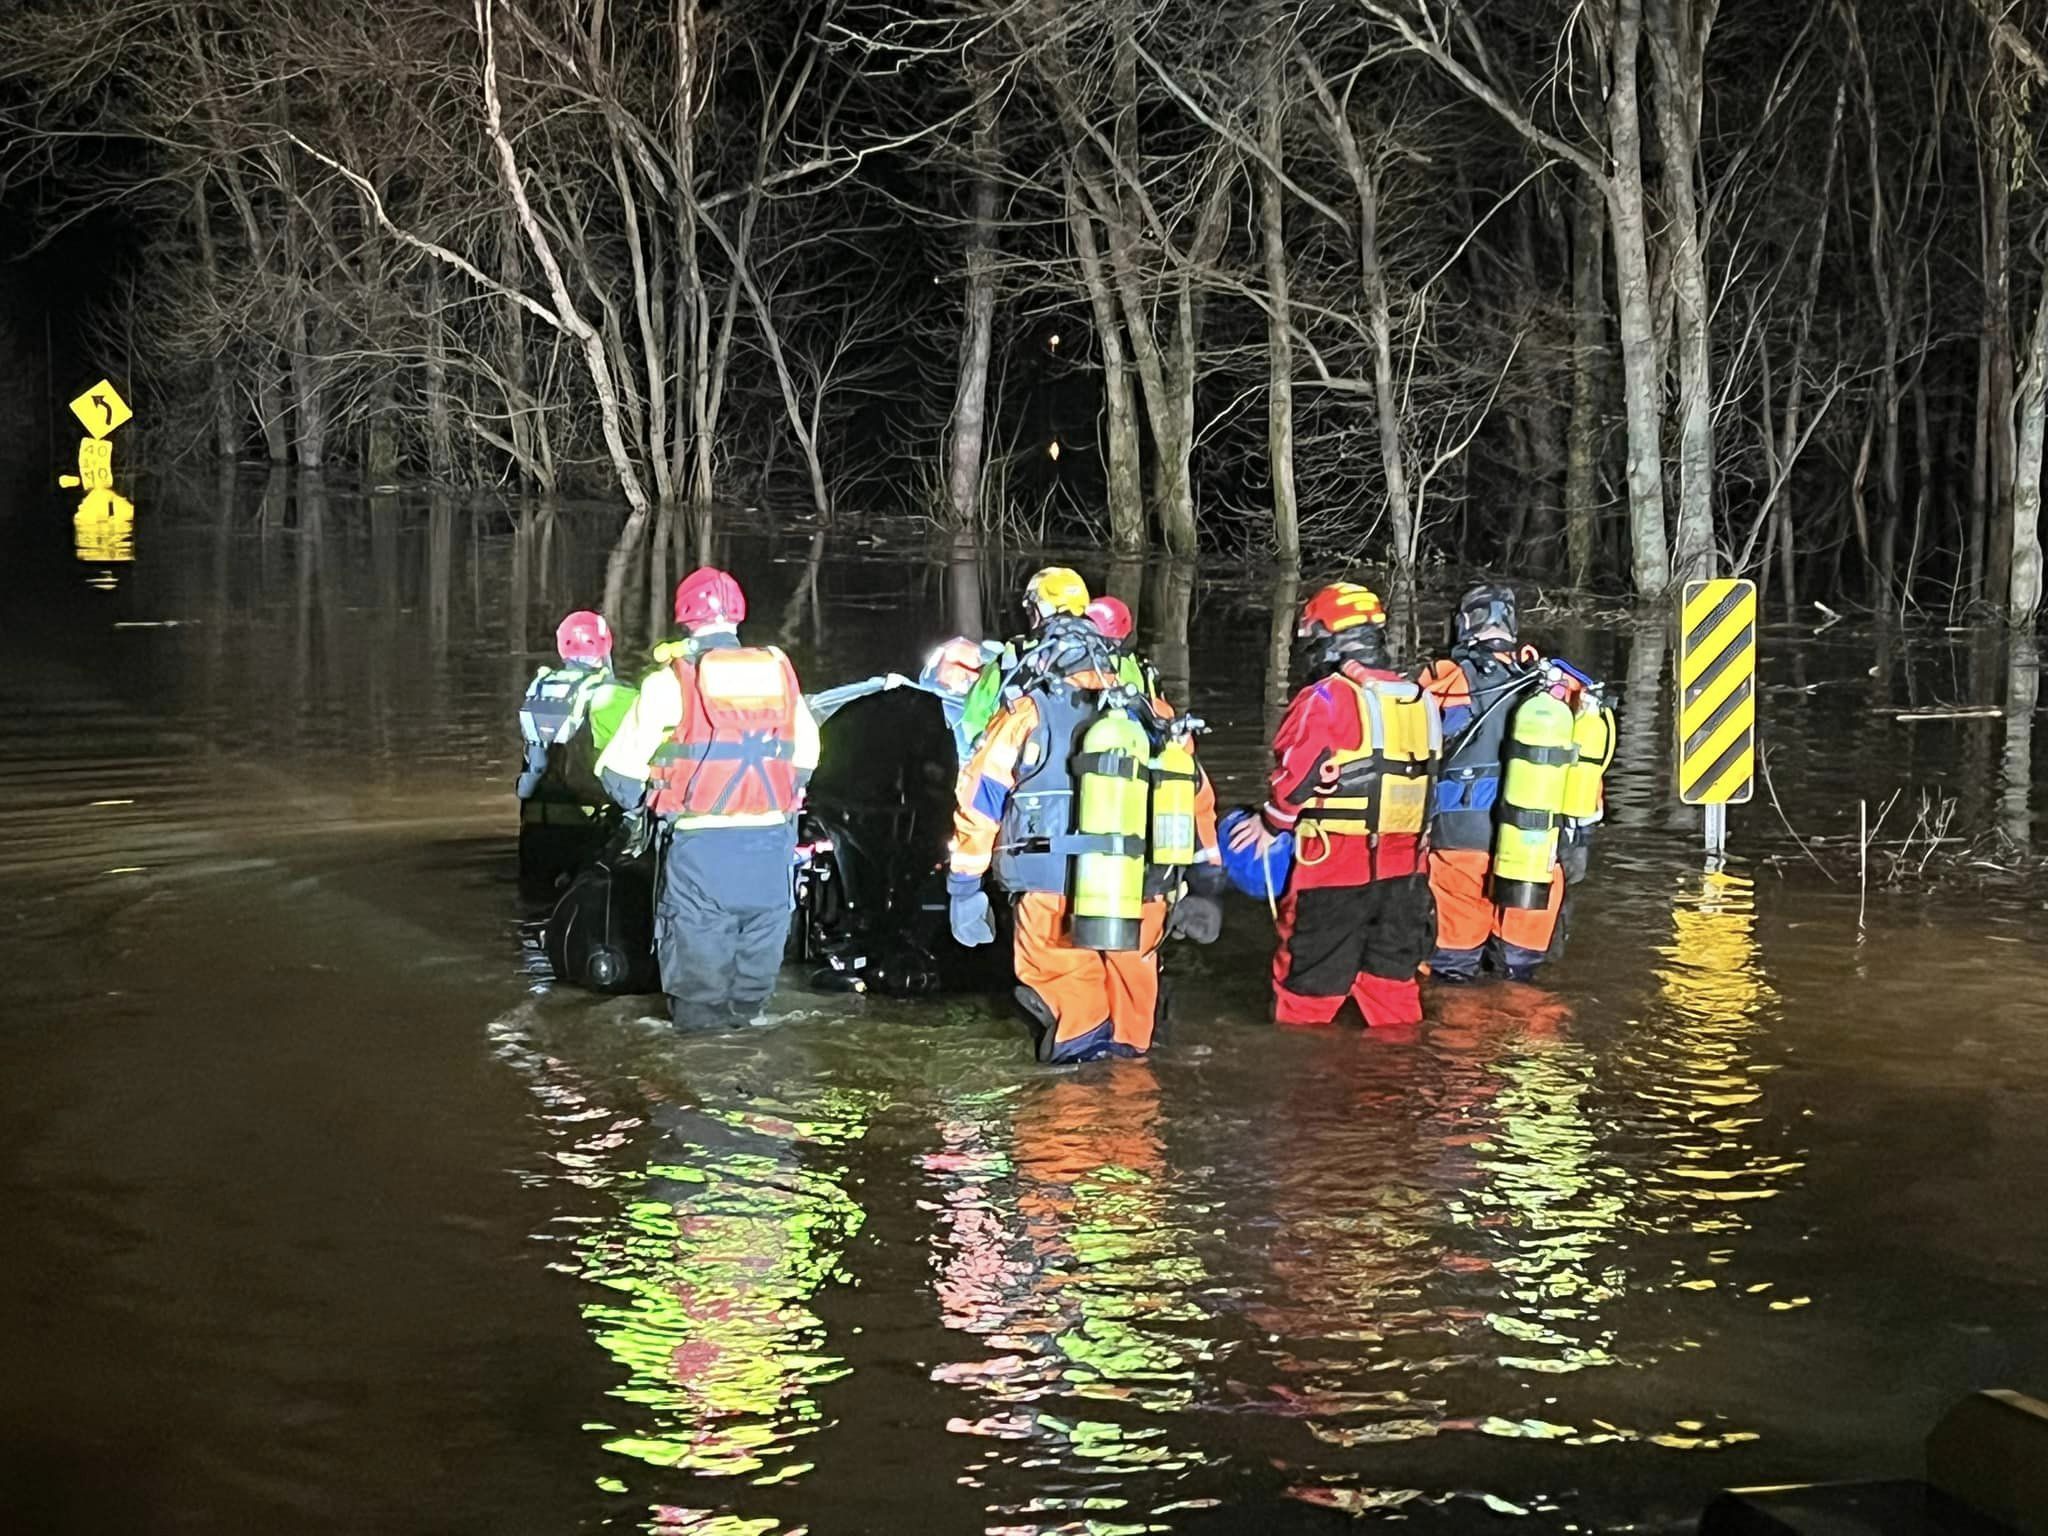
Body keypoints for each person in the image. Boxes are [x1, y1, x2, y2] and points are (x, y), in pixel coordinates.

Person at [948, 567, 1222, 1063]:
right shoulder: (1151, 709)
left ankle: (1072, 1122)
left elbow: (980, 798)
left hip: (1051, 888)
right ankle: (1132, 1119)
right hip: (1142, 885)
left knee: (1073, 1012)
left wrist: (964, 887)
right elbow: (1196, 794)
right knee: (1133, 1023)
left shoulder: (1027, 709)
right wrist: (1206, 879)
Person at [596, 567, 820, 1030]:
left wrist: (645, 803)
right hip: (773, 857)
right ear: (737, 617)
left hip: (701, 857)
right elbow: (807, 757)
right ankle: (749, 1089)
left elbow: (619, 776)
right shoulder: (780, 673)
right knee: (751, 1002)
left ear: (685, 620)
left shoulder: (669, 681)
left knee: (698, 1005)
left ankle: (699, 1082)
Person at [1228, 583, 1440, 1027]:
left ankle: (1303, 1081)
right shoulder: (1422, 700)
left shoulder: (1325, 697)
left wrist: (1270, 824)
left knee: (1306, 996)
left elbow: (1297, 773)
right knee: (1392, 996)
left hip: (1332, 869)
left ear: (1326, 639)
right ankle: (1399, 1085)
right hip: (1406, 877)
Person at [1416, 583, 1560, 982]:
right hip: (1535, 847)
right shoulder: (1549, 683)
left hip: (1462, 845)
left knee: (1452, 972)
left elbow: (1411, 752)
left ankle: (1454, 1040)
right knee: (1520, 976)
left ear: (1462, 624)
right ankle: (1531, 1043)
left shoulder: (1446, 678)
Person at [517, 609, 638, 895]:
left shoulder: (540, 689)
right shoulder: (614, 695)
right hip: (588, 828)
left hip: (536, 826)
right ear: (606, 646)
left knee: (534, 909)